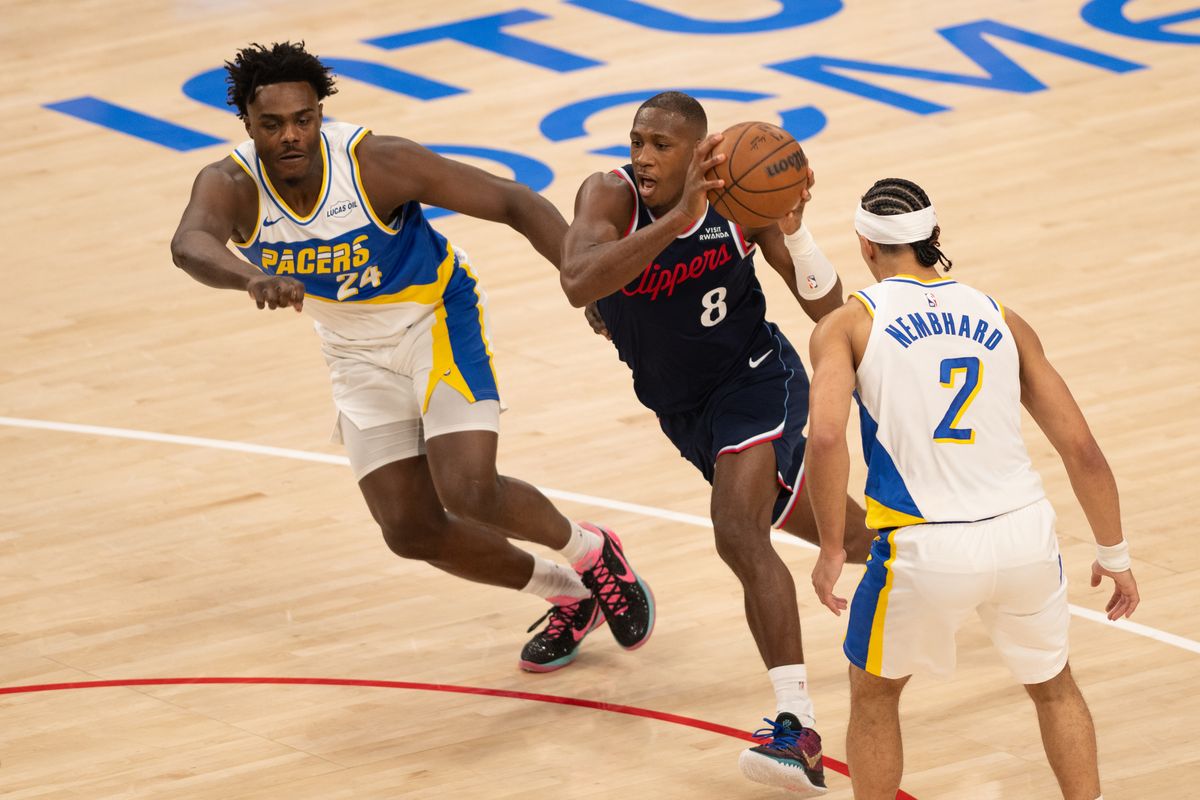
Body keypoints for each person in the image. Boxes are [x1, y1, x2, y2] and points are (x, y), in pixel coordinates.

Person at [169, 41, 654, 674]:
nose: (290, 135)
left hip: (433, 321)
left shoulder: (375, 163)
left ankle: (593, 551)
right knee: (410, 532)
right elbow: (189, 244)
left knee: (469, 490)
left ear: (320, 115)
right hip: (353, 350)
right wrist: (248, 278)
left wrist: (584, 282)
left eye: (303, 119)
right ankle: (569, 595)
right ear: (247, 125)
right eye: (272, 124)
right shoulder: (229, 184)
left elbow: (513, 201)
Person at [561, 91, 874, 795]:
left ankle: (796, 731)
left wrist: (793, 233)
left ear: (699, 153)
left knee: (738, 531)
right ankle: (923, 555)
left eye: (662, 145)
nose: (643, 154)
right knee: (810, 522)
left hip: (757, 379)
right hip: (683, 411)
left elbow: (828, 311)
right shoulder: (607, 196)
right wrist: (677, 222)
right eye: (638, 139)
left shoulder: (736, 200)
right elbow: (578, 281)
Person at [805, 177, 1141, 800]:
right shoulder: (1000, 314)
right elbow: (1082, 449)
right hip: (1024, 536)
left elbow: (826, 441)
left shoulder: (850, 323)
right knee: (1054, 686)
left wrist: (830, 547)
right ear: (934, 240)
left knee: (875, 693)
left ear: (865, 246)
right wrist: (1114, 553)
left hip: (925, 546)